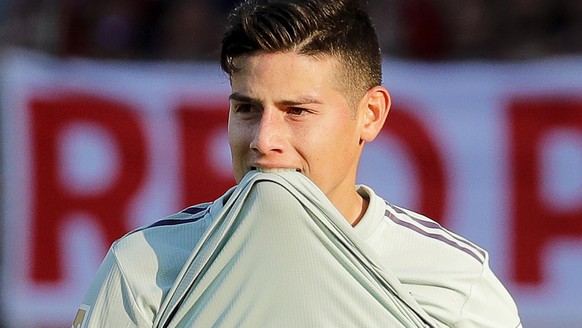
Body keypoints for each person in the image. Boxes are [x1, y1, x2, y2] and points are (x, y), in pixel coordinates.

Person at [73, 0, 522, 327]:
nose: (265, 140)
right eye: (247, 109)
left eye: (298, 111)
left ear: (371, 115)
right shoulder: (143, 270)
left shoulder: (456, 285)